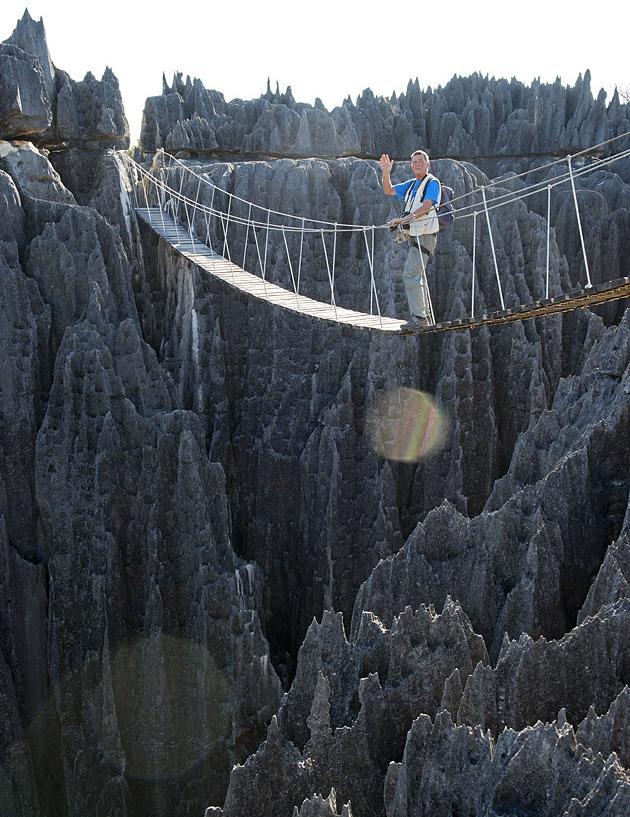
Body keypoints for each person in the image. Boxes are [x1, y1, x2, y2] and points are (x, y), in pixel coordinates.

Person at [380, 150, 441, 330]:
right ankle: (424, 317)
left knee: (410, 274)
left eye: (420, 161)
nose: (416, 165)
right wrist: (385, 172)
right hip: (415, 237)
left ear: (427, 164)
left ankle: (420, 319)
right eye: (413, 162)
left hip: (426, 237)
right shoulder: (412, 184)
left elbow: (427, 207)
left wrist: (402, 220)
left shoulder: (432, 183)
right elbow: (389, 190)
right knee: (416, 274)